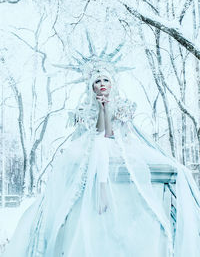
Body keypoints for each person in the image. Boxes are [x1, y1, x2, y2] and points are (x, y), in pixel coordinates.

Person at [2, 42, 200, 257]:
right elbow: (99, 136)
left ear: (113, 84)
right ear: (91, 86)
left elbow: (112, 135)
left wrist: (108, 109)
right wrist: (102, 110)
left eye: (106, 80)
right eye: (97, 81)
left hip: (120, 148)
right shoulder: (84, 111)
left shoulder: (124, 106)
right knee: (94, 157)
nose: (102, 84)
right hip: (93, 150)